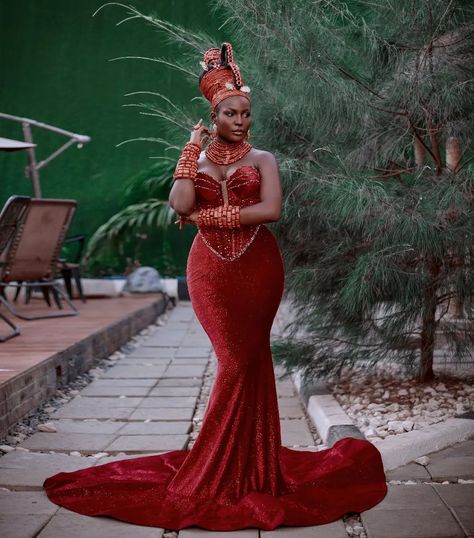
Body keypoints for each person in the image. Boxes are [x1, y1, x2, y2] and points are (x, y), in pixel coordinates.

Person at [43, 42, 387, 531]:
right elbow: (179, 206)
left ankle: (247, 466)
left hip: (259, 266)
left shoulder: (264, 158)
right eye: (231, 112)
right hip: (209, 270)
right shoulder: (197, 160)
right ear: (214, 114)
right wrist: (189, 150)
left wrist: (215, 215)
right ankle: (223, 462)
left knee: (249, 357)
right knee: (233, 358)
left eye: (246, 112)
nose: (242, 120)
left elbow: (271, 211)